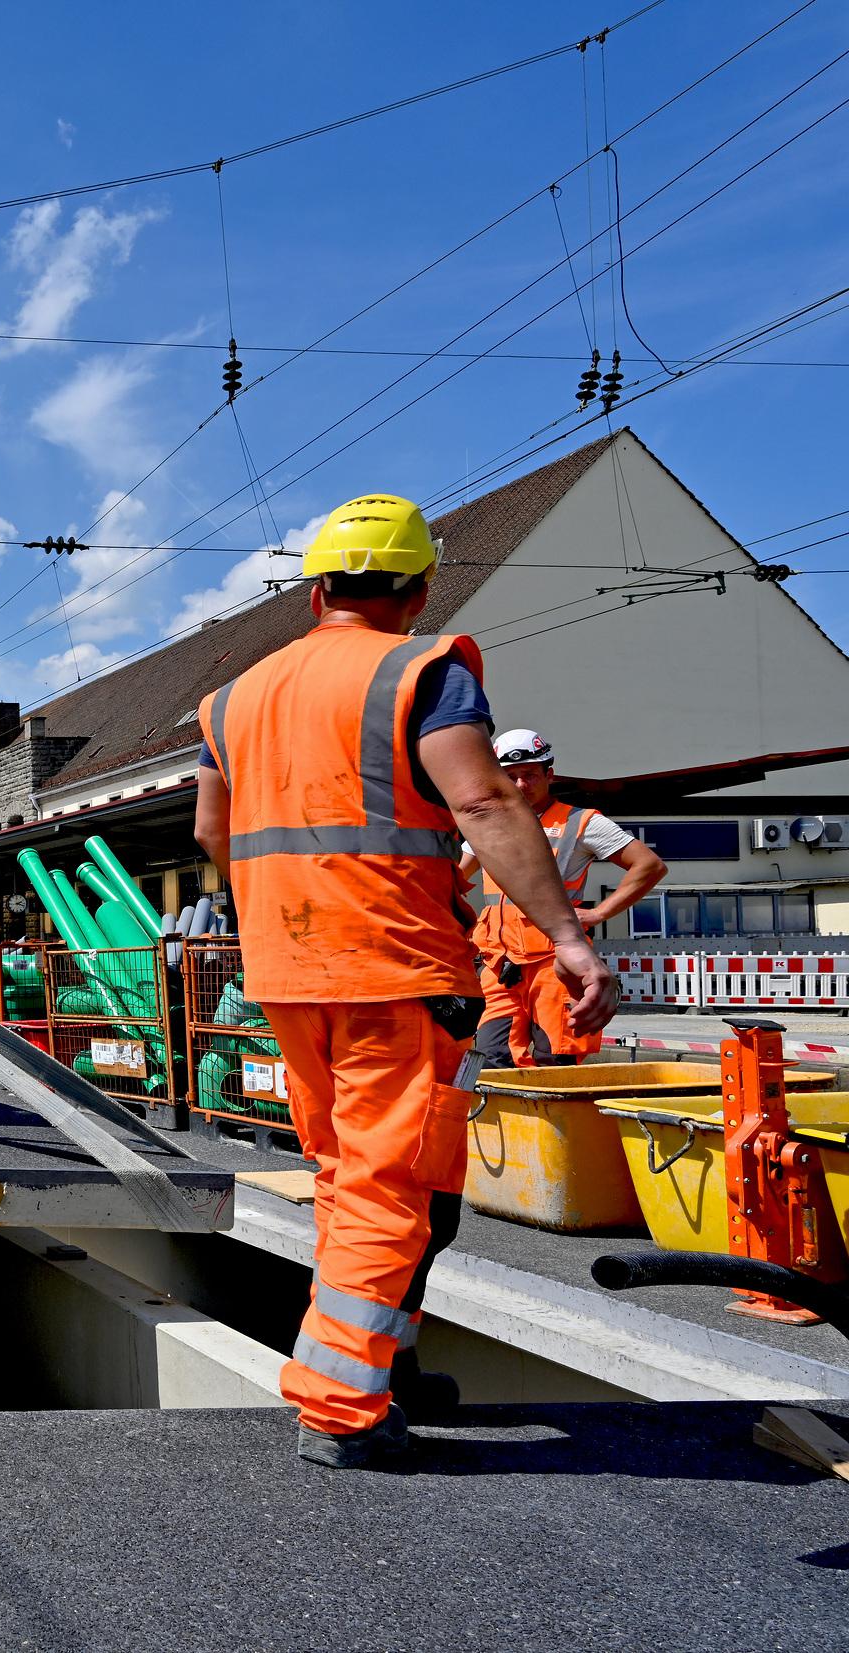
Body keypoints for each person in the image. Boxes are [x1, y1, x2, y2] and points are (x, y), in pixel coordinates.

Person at [193, 493, 618, 1470]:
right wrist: (566, 935)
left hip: (287, 973)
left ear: (314, 592)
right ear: (420, 587)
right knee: (396, 1194)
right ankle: (340, 1406)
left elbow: (214, 836)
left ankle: (385, 1365)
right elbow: (478, 797)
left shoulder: (230, 699)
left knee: (349, 1179)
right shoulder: (420, 671)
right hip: (394, 967)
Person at [461, 729, 665, 1067]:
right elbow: (455, 878)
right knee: (489, 1059)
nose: (521, 784)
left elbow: (649, 866)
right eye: (511, 777)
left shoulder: (581, 822)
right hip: (499, 964)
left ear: (549, 774)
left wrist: (599, 913)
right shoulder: (488, 824)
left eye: (529, 775)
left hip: (555, 964)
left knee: (554, 1060)